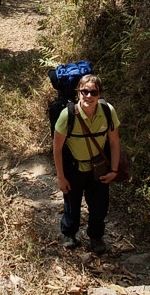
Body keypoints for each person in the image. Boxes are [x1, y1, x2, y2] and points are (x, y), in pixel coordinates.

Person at [53, 74, 121, 254]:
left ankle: (96, 237)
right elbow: (57, 148)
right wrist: (61, 176)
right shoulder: (67, 115)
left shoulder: (108, 111)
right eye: (84, 92)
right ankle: (69, 234)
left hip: (98, 168)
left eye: (93, 92)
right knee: (71, 203)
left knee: (99, 205)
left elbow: (114, 142)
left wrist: (114, 170)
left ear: (100, 94)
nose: (89, 96)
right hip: (74, 168)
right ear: (78, 93)